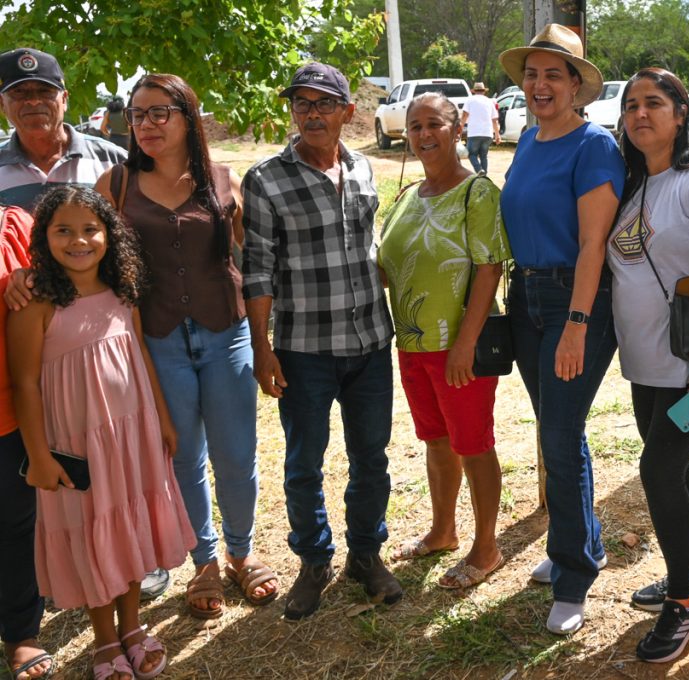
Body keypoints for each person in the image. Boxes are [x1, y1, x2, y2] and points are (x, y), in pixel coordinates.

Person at [92, 74, 276, 620]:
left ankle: (241, 552)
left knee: (236, 454)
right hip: (158, 340)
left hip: (226, 333)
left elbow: (258, 259)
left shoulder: (224, 181)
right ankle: (204, 560)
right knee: (182, 457)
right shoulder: (115, 184)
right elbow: (87, 259)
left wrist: (268, 337)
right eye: (136, 115)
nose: (145, 124)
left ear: (187, 117)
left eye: (159, 113)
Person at [8, 185, 195, 680]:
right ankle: (104, 637)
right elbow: (24, 384)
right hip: (77, 445)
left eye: (90, 229)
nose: (78, 241)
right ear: (43, 238)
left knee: (130, 528)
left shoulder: (121, 290)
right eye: (63, 230)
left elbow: (140, 353)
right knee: (93, 533)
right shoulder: (36, 303)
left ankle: (131, 627)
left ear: (110, 235)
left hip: (131, 437)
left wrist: (162, 418)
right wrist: (39, 456)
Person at [242, 62, 400, 619]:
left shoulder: (363, 167)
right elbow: (257, 269)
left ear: (347, 112)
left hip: (371, 342)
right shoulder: (265, 179)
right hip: (303, 349)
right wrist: (262, 348)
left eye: (324, 103)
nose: (311, 114)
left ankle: (366, 554)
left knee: (371, 457)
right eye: (301, 103)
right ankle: (313, 561)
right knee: (304, 462)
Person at [607, 67, 689, 663]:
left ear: (681, 112)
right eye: (631, 105)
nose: (640, 114)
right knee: (676, 469)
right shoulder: (634, 183)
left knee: (659, 472)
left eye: (654, 103)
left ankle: (683, 603)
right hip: (646, 363)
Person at [498, 23, 624, 635]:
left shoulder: (593, 145)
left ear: (577, 86)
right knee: (557, 428)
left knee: (559, 434)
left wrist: (577, 322)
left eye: (554, 74)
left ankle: (573, 577)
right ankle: (582, 543)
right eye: (532, 74)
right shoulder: (527, 139)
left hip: (575, 297)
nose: (539, 84)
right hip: (525, 296)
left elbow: (595, 244)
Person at [380, 93, 510, 588]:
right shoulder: (408, 196)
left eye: (434, 124)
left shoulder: (476, 192)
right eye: (415, 126)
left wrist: (465, 343)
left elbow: (489, 269)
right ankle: (443, 531)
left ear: (458, 130)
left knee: (474, 445)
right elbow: (389, 268)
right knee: (436, 441)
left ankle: (487, 547)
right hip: (412, 345)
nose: (423, 134)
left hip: (458, 348)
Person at [0, 204, 48, 680]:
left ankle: (20, 632)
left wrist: (32, 277)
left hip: (7, 415)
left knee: (16, 526)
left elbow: (65, 282)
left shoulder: (14, 226)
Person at [0, 48, 125, 210]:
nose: (33, 100)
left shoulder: (113, 160)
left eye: (45, 91)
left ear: (64, 99)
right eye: (19, 92)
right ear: (2, 104)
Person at [461, 82, 500, 175]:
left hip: (474, 133)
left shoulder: (470, 100)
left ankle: (479, 170)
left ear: (474, 91)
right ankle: (484, 176)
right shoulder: (489, 101)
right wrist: (497, 135)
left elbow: (464, 115)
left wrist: (460, 129)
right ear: (484, 91)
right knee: (483, 156)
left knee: (471, 154)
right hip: (487, 133)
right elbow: (494, 120)